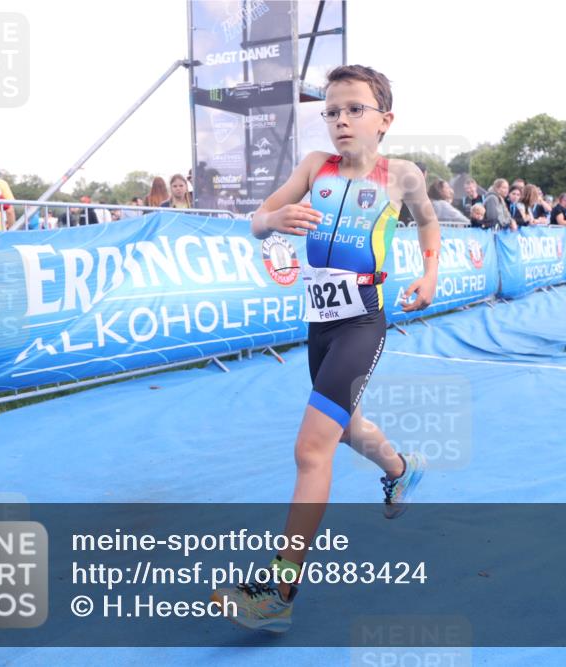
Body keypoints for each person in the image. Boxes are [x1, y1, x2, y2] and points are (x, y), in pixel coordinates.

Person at [211, 64, 440, 632]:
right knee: (347, 427)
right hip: (320, 323)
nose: (340, 120)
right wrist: (273, 218)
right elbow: (257, 222)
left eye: (354, 109)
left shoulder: (402, 175)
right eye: (332, 111)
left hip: (364, 321)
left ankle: (277, 595)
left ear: (385, 120)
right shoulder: (315, 168)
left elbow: (429, 222)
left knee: (312, 449)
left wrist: (430, 273)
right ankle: (402, 468)